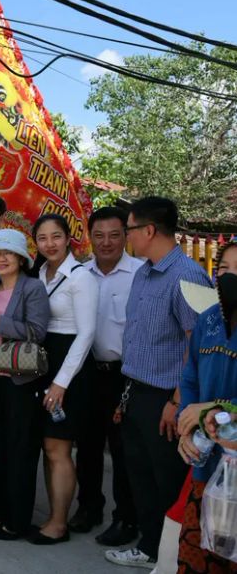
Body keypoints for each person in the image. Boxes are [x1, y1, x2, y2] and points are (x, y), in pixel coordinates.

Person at [105, 197, 214, 569]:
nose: (127, 236)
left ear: (148, 230)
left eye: (130, 229)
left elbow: (196, 342)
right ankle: (150, 547)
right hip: (136, 388)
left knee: (166, 477)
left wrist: (177, 399)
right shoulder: (143, 272)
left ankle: (172, 555)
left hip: (167, 396)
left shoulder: (187, 275)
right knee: (141, 474)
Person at [71, 207, 142, 545]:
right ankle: (89, 507)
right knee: (86, 445)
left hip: (125, 376)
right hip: (87, 373)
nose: (106, 242)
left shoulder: (142, 274)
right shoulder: (80, 274)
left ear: (126, 236)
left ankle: (126, 518)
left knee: (123, 449)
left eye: (114, 235)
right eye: (98, 235)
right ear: (90, 237)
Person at [0, 229, 50, 540]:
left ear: (21, 258)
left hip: (19, 381)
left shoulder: (33, 288)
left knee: (19, 451)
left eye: (7, 253)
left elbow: (38, 331)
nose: (1, 258)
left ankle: (17, 519)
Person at [27, 214, 98, 545]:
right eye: (42, 238)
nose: (49, 244)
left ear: (69, 238)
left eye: (56, 236)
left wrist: (61, 383)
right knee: (48, 444)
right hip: (44, 361)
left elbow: (86, 335)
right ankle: (54, 516)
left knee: (58, 447)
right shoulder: (40, 272)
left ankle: (58, 523)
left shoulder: (81, 277)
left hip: (70, 367)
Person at [176, 241, 237, 573]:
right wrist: (189, 422)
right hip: (208, 466)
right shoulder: (210, 319)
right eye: (224, 268)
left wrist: (216, 407)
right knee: (199, 555)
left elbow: (210, 404)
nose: (230, 277)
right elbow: (190, 377)